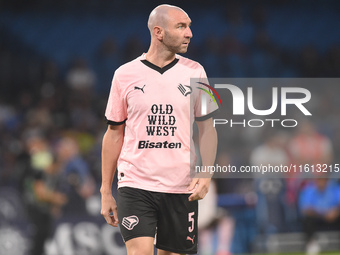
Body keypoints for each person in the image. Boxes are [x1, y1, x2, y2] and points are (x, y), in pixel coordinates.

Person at [100, 4, 218, 255]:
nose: (190, 33)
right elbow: (113, 133)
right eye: (181, 26)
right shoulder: (124, 74)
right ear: (158, 32)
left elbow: (208, 128)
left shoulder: (197, 71)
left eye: (189, 26)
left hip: (180, 186)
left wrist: (206, 173)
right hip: (135, 184)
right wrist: (105, 190)